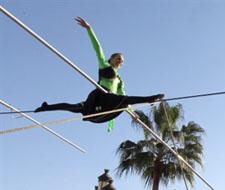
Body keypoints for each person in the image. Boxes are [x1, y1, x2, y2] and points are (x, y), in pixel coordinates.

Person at [35, 17, 164, 131]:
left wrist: (132, 113)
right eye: (118, 58)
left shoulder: (119, 80)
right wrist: (89, 29)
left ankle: (149, 99)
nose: (120, 61)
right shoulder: (104, 65)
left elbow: (124, 96)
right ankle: (45, 108)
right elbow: (98, 49)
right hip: (100, 98)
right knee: (73, 107)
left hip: (109, 102)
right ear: (111, 59)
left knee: (124, 101)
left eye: (122, 60)